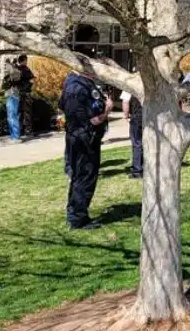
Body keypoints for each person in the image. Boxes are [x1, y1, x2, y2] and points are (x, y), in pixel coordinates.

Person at [59, 69, 109, 229]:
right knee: (85, 176)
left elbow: (61, 105)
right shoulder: (78, 86)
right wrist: (107, 109)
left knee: (79, 176)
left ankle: (76, 213)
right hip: (84, 139)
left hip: (78, 137)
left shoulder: (73, 83)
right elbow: (93, 120)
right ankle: (77, 218)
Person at [0, 55, 33, 142]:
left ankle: (16, 137)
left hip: (13, 95)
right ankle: (13, 136)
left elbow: (17, 78)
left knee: (13, 116)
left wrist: (11, 66)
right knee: (11, 116)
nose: (5, 67)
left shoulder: (17, 72)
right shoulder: (15, 72)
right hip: (11, 95)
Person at [121, 84, 143, 179]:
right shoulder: (150, 84)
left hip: (137, 117)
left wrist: (126, 116)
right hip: (149, 117)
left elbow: (125, 102)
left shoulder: (130, 84)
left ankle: (137, 170)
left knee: (137, 143)